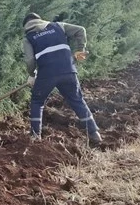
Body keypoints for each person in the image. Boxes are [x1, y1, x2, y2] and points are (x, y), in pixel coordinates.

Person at [21, 12, 102, 145]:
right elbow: (81, 30)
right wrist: (80, 49)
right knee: (77, 100)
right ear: (40, 20)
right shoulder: (58, 26)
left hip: (47, 74)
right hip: (68, 70)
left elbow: (30, 60)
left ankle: (35, 137)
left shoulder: (28, 38)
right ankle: (94, 133)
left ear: (26, 26)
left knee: (37, 101)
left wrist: (31, 75)